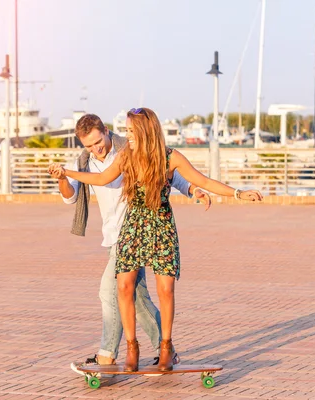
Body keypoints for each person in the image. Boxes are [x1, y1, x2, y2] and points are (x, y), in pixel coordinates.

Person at [50, 107, 263, 372]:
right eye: (126, 130)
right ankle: (131, 348)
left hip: (161, 226)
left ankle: (165, 348)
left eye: (130, 130)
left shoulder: (170, 157)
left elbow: (200, 180)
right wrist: (67, 173)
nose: (126, 136)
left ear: (145, 130)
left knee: (165, 291)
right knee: (124, 288)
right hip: (132, 227)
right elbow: (102, 178)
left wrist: (238, 193)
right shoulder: (126, 156)